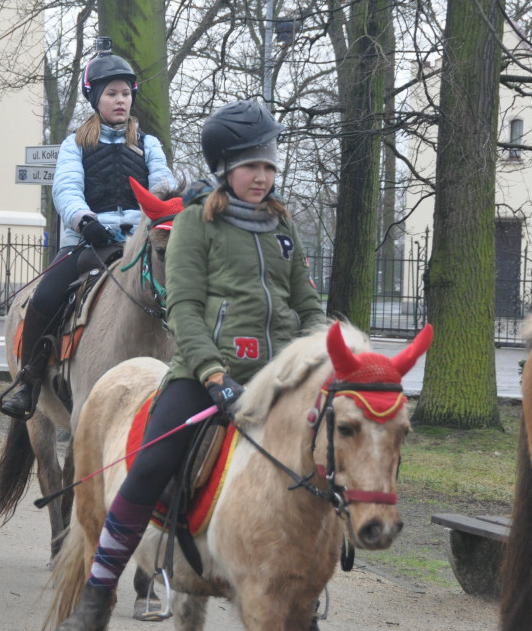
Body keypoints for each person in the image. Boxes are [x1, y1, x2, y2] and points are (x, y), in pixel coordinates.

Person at [52, 99, 327, 631]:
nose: (263, 177)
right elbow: (183, 308)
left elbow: (306, 302)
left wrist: (321, 354)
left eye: (270, 166)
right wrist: (214, 376)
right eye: (252, 166)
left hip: (281, 377)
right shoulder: (196, 224)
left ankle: (302, 588)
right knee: (152, 462)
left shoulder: (283, 223)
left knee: (337, 456)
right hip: (208, 376)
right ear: (225, 168)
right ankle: (98, 591)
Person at [0, 43, 176, 421]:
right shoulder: (75, 144)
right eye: (111, 93)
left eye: (126, 93)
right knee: (46, 296)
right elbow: (65, 189)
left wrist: (164, 212)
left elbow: (162, 184)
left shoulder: (149, 145)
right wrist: (84, 220)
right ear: (95, 98)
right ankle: (28, 382)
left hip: (136, 242)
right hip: (88, 242)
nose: (120, 100)